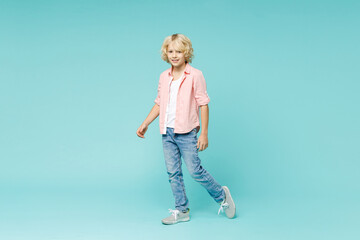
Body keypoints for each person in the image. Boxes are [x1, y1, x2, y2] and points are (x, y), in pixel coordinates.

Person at [136, 33, 235, 225]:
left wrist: (204, 133)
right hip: (167, 132)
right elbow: (159, 103)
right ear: (166, 53)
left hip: (187, 132)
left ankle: (222, 195)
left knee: (194, 170)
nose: (174, 55)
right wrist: (145, 122)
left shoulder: (195, 75)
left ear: (186, 53)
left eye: (179, 51)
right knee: (173, 173)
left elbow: (203, 104)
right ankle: (182, 210)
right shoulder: (164, 77)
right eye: (170, 51)